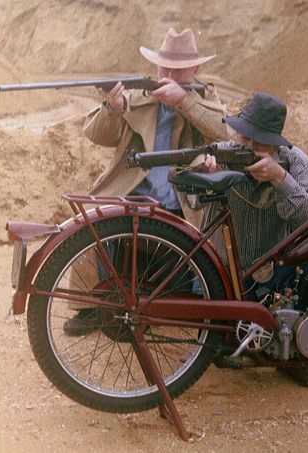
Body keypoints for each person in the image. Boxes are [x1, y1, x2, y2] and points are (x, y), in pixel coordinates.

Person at [64, 27, 228, 335]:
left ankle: (206, 309)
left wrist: (184, 101)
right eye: (165, 68)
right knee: (90, 218)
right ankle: (90, 306)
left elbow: (224, 132)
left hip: (182, 200)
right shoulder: (137, 96)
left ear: (195, 70)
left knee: (214, 233)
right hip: (132, 194)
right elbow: (99, 136)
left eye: (179, 71)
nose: (170, 75)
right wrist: (112, 109)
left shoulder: (205, 96)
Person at [202, 92, 308, 386]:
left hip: (275, 273)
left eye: (258, 142)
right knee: (220, 343)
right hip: (223, 273)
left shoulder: (296, 164)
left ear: (275, 143)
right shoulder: (221, 153)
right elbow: (193, 206)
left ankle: (297, 354)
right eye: (244, 137)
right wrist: (206, 176)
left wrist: (280, 179)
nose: (247, 146)